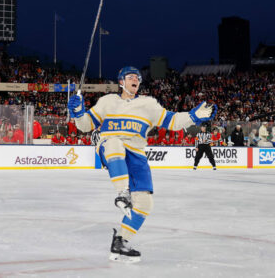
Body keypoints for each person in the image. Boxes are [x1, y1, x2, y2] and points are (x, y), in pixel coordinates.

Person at [67, 66, 216, 263]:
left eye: (137, 77)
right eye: (130, 77)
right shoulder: (107, 101)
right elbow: (85, 125)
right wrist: (78, 112)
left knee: (145, 203)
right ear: (121, 81)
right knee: (114, 143)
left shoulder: (148, 104)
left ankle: (121, 241)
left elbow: (171, 120)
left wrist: (193, 116)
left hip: (136, 153)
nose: (135, 79)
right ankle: (122, 193)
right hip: (111, 146)